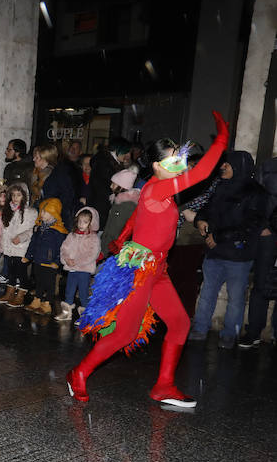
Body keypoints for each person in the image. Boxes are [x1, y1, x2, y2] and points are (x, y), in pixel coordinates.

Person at [69, 112, 228, 408]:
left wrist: (124, 237)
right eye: (173, 161)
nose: (180, 165)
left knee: (179, 323)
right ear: (157, 166)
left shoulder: (161, 192)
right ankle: (78, 373)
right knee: (125, 333)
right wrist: (220, 142)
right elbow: (201, 174)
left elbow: (142, 219)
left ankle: (164, 385)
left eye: (180, 159)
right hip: (140, 270)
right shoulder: (157, 188)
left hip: (157, 269)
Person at [188, 150, 266, 348]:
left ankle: (230, 334)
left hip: (238, 254)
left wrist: (219, 237)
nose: (222, 167)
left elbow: (251, 225)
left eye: (227, 164)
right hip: (214, 251)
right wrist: (200, 220)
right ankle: (200, 328)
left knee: (236, 298)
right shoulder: (221, 186)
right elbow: (207, 208)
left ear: (238, 167)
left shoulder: (255, 192)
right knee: (207, 292)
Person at [238, 156, 277, 348]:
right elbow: (255, 196)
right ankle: (253, 332)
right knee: (261, 282)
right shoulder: (269, 166)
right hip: (268, 234)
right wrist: (262, 225)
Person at [0, 181, 37, 307]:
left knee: (21, 272)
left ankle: (21, 295)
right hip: (9, 247)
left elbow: (32, 230)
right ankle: (9, 292)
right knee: (11, 272)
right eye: (13, 195)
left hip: (21, 247)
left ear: (24, 196)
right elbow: (4, 229)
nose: (15, 198)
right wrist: (1, 242)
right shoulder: (8, 210)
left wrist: (21, 237)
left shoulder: (31, 212)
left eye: (18, 195)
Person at [56, 206, 101, 322]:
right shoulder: (72, 235)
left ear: (92, 223)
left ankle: (85, 316)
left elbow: (92, 254)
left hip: (84, 270)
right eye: (80, 221)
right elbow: (64, 248)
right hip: (72, 268)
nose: (81, 224)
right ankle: (66, 313)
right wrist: (66, 259)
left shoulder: (93, 238)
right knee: (69, 291)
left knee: (83, 293)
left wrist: (76, 261)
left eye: (85, 222)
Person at [24, 198, 67, 315]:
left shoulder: (58, 232)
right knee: (39, 282)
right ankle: (37, 300)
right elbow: (33, 243)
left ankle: (47, 303)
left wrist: (57, 262)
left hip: (50, 263)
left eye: (45, 211)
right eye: (41, 211)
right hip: (38, 260)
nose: (41, 214)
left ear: (54, 213)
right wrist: (28, 256)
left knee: (50, 284)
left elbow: (62, 249)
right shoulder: (39, 228)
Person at [87, 138, 131, 228]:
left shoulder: (107, 162)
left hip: (100, 206)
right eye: (125, 152)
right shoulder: (105, 164)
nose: (127, 155)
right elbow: (103, 189)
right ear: (117, 150)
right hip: (101, 208)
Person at [99, 169, 140, 256]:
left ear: (122, 186)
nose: (111, 186)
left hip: (112, 248)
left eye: (114, 184)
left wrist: (106, 249)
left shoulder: (125, 205)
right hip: (109, 244)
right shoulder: (119, 200)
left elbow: (115, 229)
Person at [35, 144, 75, 229]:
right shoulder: (38, 174)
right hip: (43, 216)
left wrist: (56, 214)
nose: (33, 159)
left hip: (56, 219)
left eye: (37, 157)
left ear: (45, 159)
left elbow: (67, 196)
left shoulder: (59, 174)